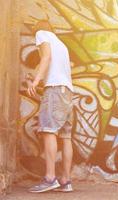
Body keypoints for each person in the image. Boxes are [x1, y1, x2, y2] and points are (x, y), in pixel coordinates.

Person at [28, 20, 74, 193]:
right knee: (66, 136)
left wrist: (36, 80)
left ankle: (50, 178)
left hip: (55, 90)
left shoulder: (42, 34)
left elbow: (46, 57)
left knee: (48, 130)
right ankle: (66, 180)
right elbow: (56, 69)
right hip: (67, 91)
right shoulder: (60, 44)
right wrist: (38, 79)